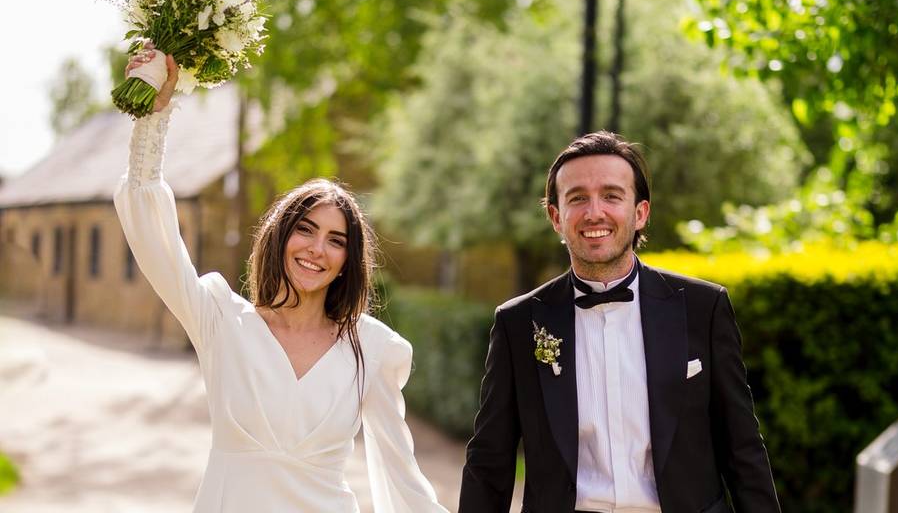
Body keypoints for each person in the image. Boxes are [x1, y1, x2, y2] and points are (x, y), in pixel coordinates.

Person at [115, 47, 448, 513]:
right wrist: (153, 116)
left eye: (335, 240)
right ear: (280, 236)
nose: (316, 249)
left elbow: (402, 476)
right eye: (306, 230)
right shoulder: (221, 319)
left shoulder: (373, 348)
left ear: (348, 259)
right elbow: (154, 238)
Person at [459, 132, 780, 513]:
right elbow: (489, 462)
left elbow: (742, 447)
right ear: (556, 216)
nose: (594, 212)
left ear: (640, 212)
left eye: (611, 195)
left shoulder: (703, 308)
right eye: (578, 198)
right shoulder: (518, 323)